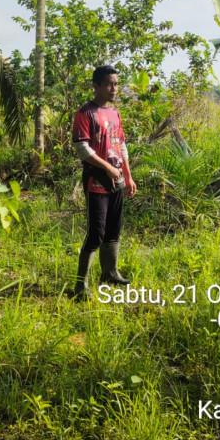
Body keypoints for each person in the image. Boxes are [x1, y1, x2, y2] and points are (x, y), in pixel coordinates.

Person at [71, 65, 137, 300]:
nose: (114, 88)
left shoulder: (115, 113)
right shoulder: (86, 112)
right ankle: (81, 285)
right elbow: (82, 147)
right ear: (96, 86)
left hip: (117, 181)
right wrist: (108, 168)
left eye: (116, 84)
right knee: (96, 232)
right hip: (96, 182)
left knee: (113, 229)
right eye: (109, 84)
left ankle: (110, 272)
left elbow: (121, 145)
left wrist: (127, 176)